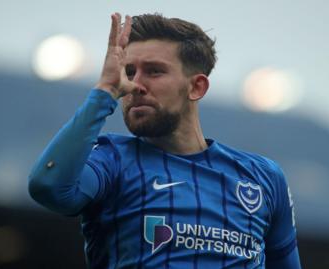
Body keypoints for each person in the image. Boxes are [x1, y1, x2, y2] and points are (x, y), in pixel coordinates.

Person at [28, 12, 301, 269]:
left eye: (155, 71)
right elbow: (49, 187)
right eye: (130, 72)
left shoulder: (262, 177)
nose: (136, 85)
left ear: (196, 87)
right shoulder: (111, 159)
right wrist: (106, 90)